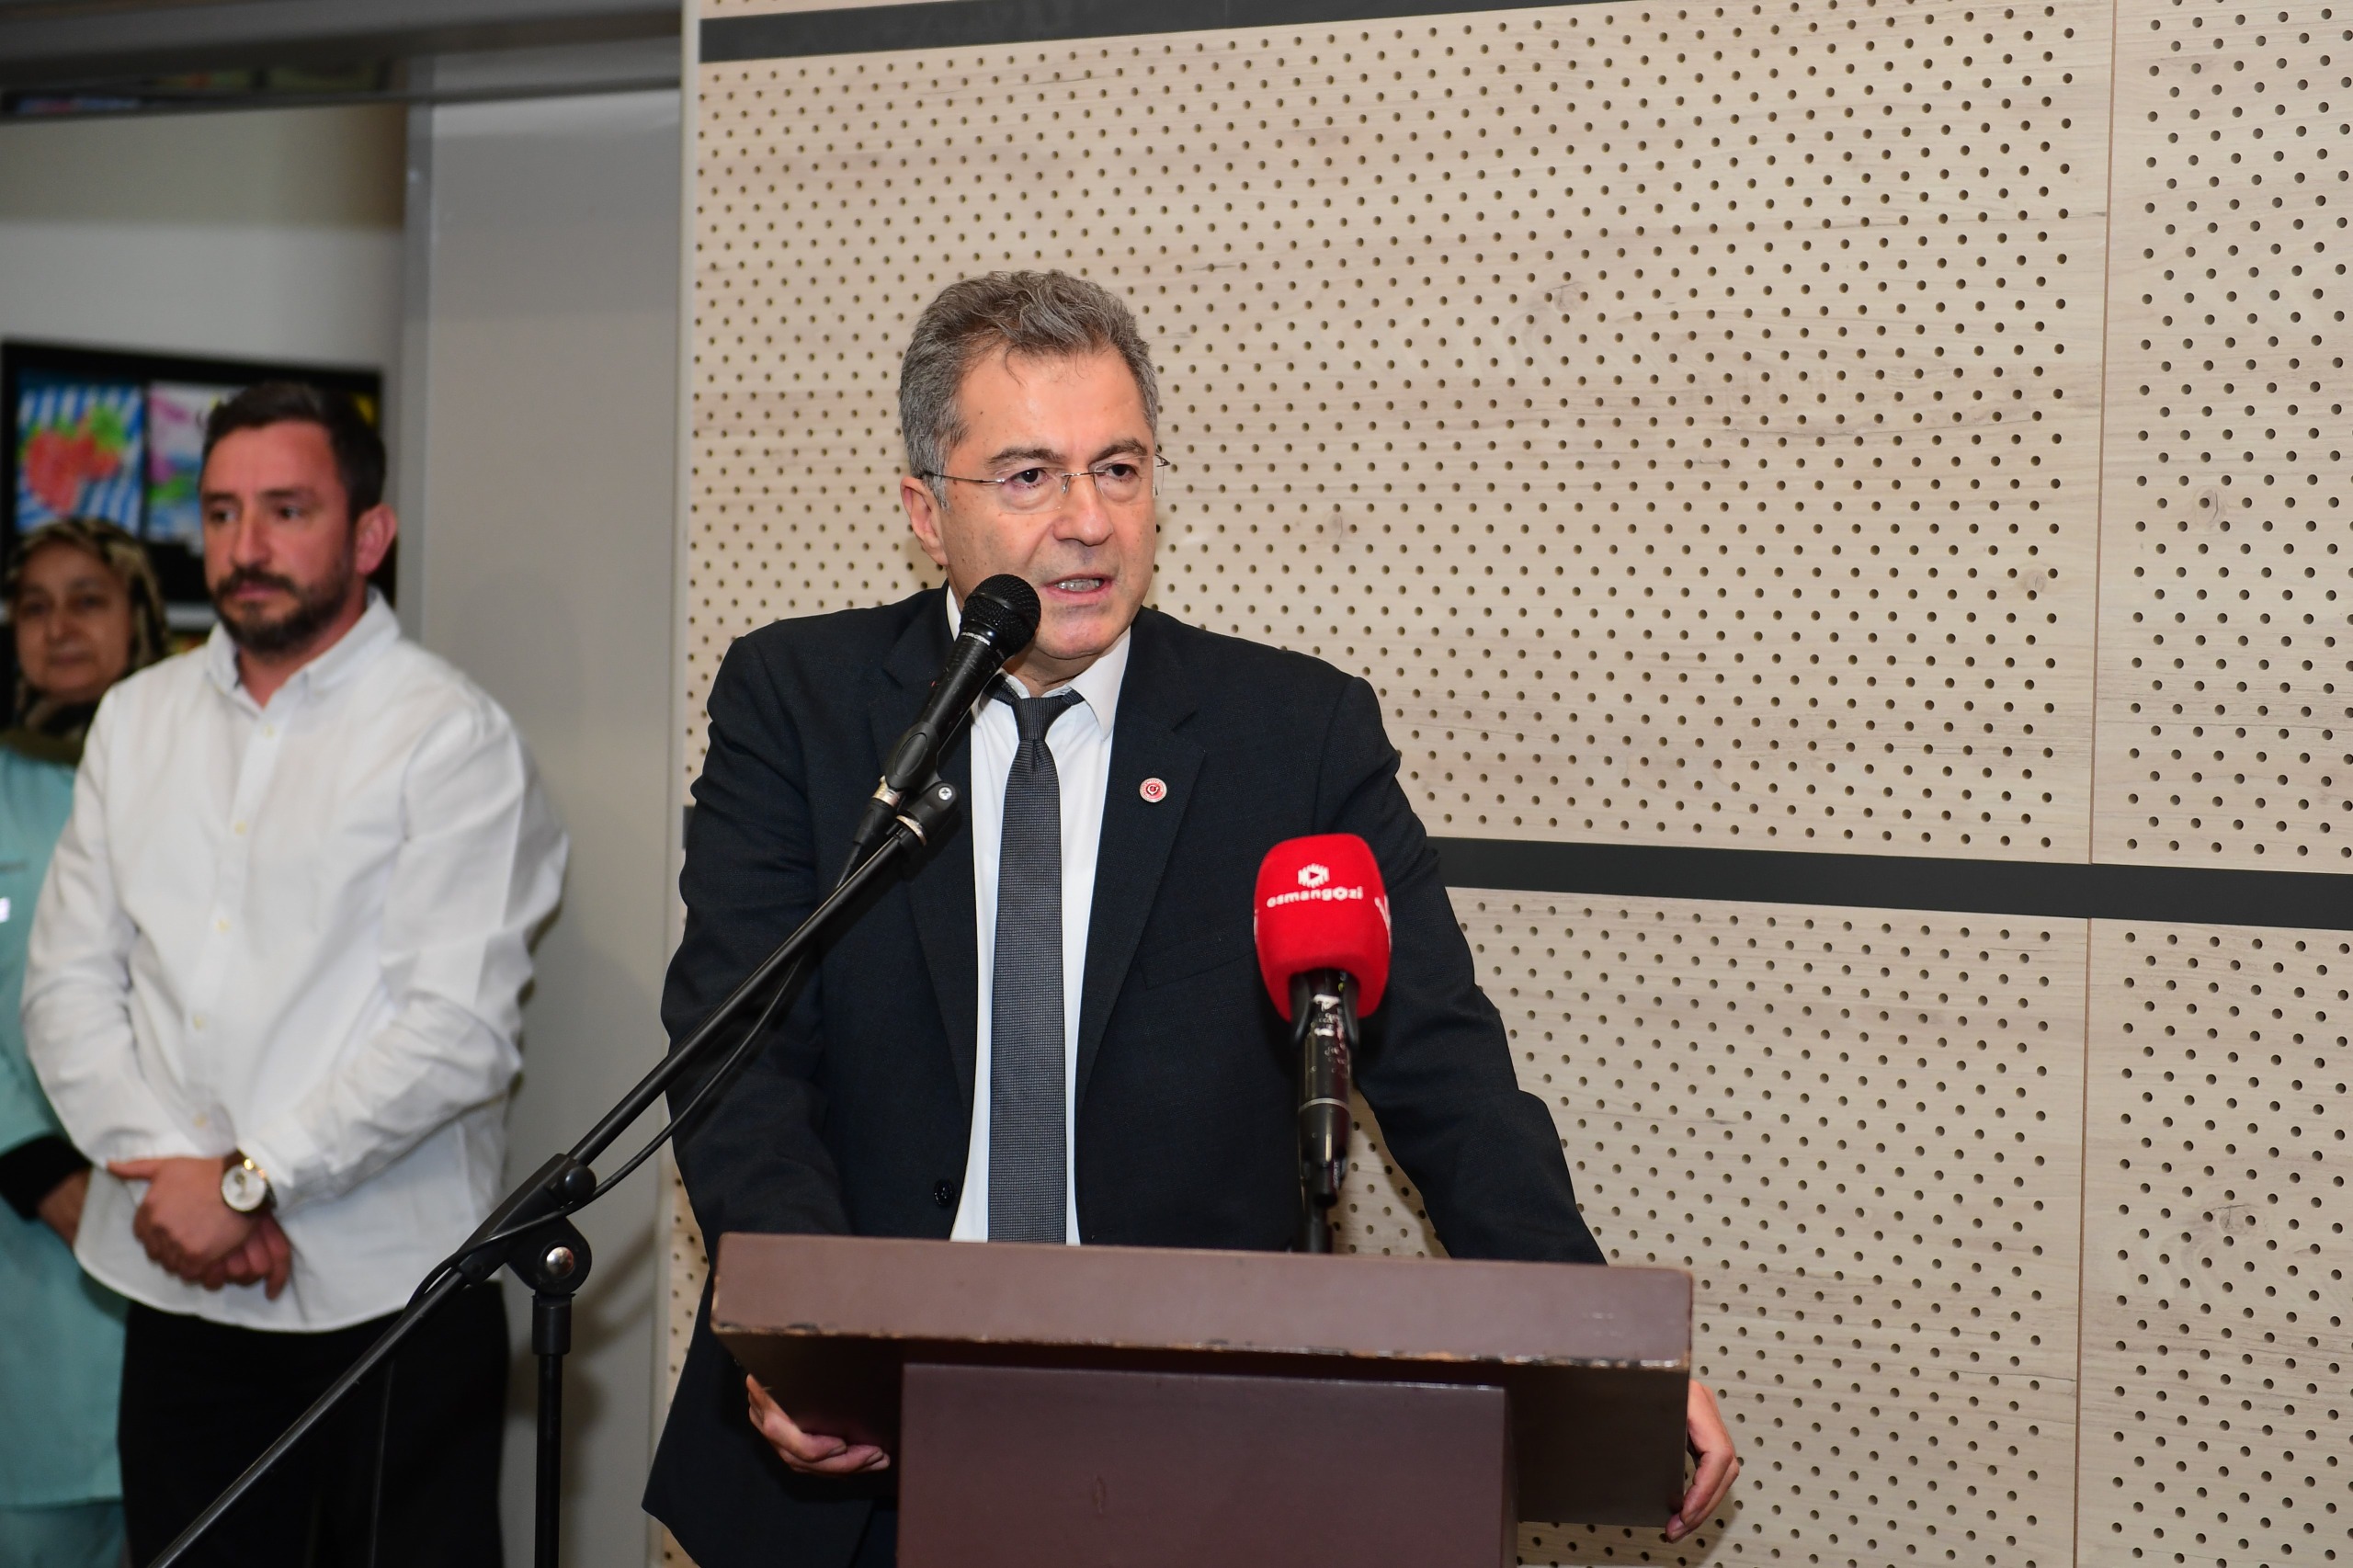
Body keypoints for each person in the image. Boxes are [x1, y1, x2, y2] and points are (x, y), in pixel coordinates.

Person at [645, 272, 1741, 1568]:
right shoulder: (800, 701)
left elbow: (1444, 1070)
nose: (1088, 522)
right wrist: (810, 1334)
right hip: (857, 1450)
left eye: (1119, 468)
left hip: (1189, 1440)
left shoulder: (1294, 736)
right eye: (1029, 476)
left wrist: (1603, 1350)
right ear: (924, 511)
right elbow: (739, 1053)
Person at [25, 382, 568, 1567]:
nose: (246, 546)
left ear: (369, 535)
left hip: (392, 1297)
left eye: (287, 509)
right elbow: (64, 986)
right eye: (222, 513)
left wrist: (248, 1182)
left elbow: (453, 1029)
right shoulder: (136, 718)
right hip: (176, 1289)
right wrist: (181, 1181)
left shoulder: (450, 736)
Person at [0, 517, 168, 1568]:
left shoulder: (197, 777)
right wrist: (36, 1162)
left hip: (193, 1218)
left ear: (140, 616)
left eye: (88, 599)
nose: (58, 625)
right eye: (34, 605)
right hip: (28, 1238)